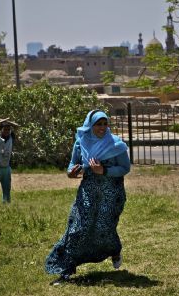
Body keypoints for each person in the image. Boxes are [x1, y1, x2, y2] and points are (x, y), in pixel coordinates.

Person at [45, 110, 130, 283]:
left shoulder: (116, 145)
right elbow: (72, 164)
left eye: (105, 124)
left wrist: (104, 170)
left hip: (111, 193)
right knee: (77, 228)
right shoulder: (81, 143)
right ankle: (66, 270)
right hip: (88, 191)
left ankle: (114, 251)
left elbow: (125, 168)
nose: (102, 127)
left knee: (104, 228)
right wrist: (71, 172)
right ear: (90, 125)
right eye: (98, 124)